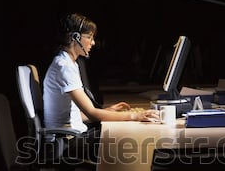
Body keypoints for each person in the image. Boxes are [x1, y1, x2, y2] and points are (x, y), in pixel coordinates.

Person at [43, 13, 159, 162]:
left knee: (123, 132)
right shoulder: (64, 66)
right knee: (126, 137)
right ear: (76, 38)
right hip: (66, 142)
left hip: (69, 137)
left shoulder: (67, 62)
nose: (93, 43)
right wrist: (135, 116)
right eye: (89, 37)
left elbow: (75, 116)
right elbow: (92, 114)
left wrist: (106, 112)